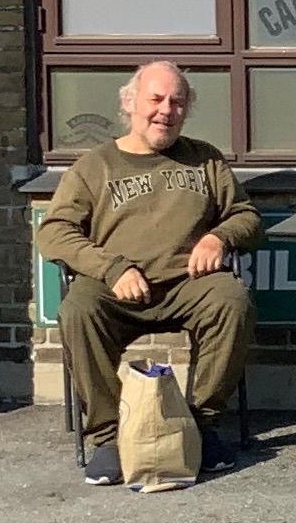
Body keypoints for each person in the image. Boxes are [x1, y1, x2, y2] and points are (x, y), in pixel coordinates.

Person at [35, 61, 263, 484]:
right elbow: (55, 233)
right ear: (130, 104)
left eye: (177, 102)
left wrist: (219, 238)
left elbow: (246, 216)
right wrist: (111, 268)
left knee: (232, 300)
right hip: (115, 288)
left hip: (189, 285)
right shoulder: (94, 166)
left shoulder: (205, 160)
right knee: (78, 311)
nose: (166, 111)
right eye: (155, 100)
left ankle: (199, 426)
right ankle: (107, 437)